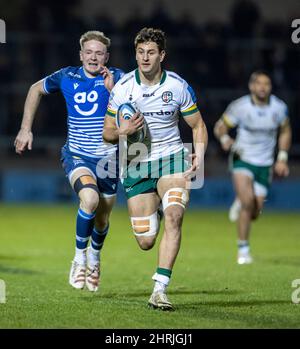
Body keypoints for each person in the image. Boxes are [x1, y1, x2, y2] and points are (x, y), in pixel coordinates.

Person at [103, 27, 208, 310]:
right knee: (146, 240)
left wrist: (199, 154)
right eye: (140, 53)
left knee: (174, 216)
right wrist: (122, 130)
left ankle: (159, 289)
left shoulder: (177, 86)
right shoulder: (124, 87)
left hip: (172, 157)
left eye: (150, 52)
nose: (144, 58)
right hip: (135, 162)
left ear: (162, 55)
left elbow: (197, 125)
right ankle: (157, 208)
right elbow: (107, 133)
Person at [14, 31, 124, 291]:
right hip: (77, 154)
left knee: (102, 220)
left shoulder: (118, 78)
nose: (93, 57)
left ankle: (95, 259)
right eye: (89, 52)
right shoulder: (66, 76)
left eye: (99, 53)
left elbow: (135, 108)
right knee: (90, 199)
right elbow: (34, 89)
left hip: (109, 160)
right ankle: (78, 258)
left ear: (106, 56)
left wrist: (115, 92)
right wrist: (25, 128)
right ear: (81, 55)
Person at [214, 70, 292, 264]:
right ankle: (243, 250)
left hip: (265, 163)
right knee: (248, 202)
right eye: (259, 83)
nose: (263, 87)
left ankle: (241, 202)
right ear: (251, 86)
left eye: (267, 84)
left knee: (255, 212)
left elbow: (285, 131)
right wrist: (224, 138)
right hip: (242, 158)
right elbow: (220, 126)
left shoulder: (279, 107)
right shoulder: (240, 107)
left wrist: (282, 158)